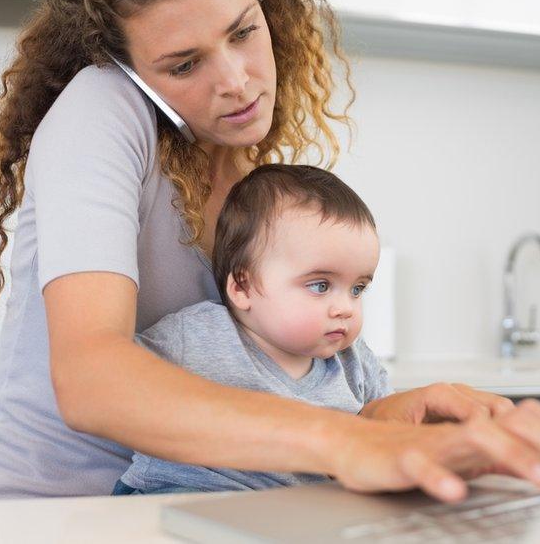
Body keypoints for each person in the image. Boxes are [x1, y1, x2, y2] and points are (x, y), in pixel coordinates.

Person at [0, 0, 540, 504]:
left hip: (192, 509)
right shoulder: (101, 109)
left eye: (243, 33)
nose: (235, 82)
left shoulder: (239, 168)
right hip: (63, 516)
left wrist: (377, 422)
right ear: (128, 69)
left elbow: (245, 385)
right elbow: (90, 379)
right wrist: (345, 441)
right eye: (184, 65)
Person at [115, 164, 392, 495]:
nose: (346, 307)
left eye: (357, 289)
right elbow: (116, 383)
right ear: (242, 288)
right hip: (181, 497)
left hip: (295, 511)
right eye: (320, 285)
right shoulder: (195, 336)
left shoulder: (353, 361)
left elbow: (384, 433)